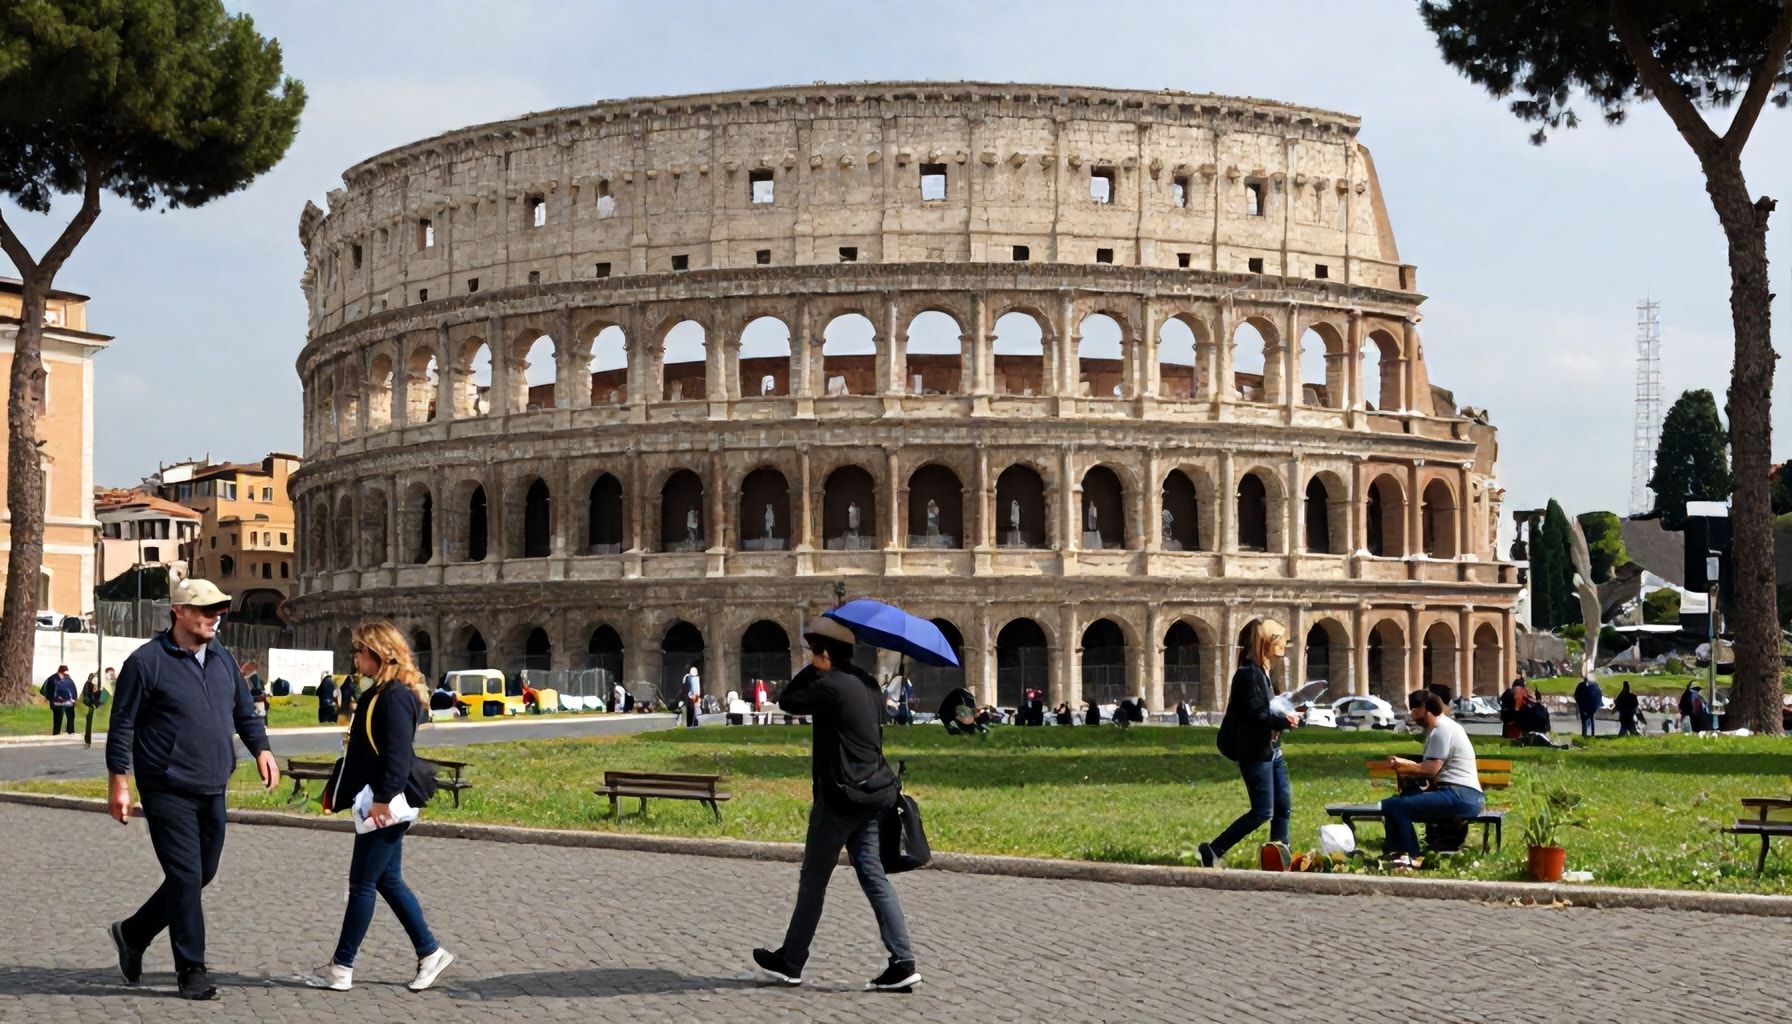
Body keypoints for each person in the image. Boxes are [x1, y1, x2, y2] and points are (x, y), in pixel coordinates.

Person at [105, 578, 280, 1001]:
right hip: (166, 784)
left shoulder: (221, 657)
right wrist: (119, 781)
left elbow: (244, 709)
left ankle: (133, 932)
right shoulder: (146, 662)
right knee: (185, 876)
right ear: (179, 612)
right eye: (205, 611)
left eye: (219, 611)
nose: (215, 618)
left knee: (203, 873)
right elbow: (122, 723)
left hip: (212, 783)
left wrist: (262, 749)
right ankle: (192, 969)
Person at [752, 615, 918, 992]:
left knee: (813, 880)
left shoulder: (830, 686)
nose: (811, 658)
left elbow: (788, 700)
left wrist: (814, 670)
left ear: (826, 653)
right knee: (874, 878)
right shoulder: (867, 683)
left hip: (839, 798)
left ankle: (791, 960)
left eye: (814, 652)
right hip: (874, 792)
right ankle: (903, 960)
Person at [304, 621, 455, 993]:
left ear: (378, 653)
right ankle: (430, 952)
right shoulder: (380, 693)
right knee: (387, 879)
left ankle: (342, 965)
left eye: (359, 651)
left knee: (362, 884)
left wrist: (383, 801)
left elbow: (398, 756)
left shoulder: (394, 696)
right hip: (377, 798)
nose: (354, 658)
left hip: (386, 802)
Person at [1200, 619, 1300, 871]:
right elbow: (1256, 714)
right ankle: (1213, 849)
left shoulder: (1263, 672)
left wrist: (1290, 711)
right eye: (1279, 640)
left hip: (1272, 750)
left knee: (1283, 806)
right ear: (1266, 642)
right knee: (1262, 811)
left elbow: (1268, 709)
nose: (1283, 645)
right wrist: (1284, 720)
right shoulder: (1247, 674)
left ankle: (1278, 859)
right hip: (1255, 752)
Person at [1378, 690, 1484, 868]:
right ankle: (1394, 852)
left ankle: (1408, 855)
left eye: (1415, 710)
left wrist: (1404, 765)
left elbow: (1431, 770)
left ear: (1428, 709)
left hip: (1461, 795)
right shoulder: (1443, 728)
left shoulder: (1441, 730)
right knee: (1397, 801)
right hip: (1461, 794)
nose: (1413, 714)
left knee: (1393, 806)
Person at [41, 665, 77, 735]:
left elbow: (73, 688)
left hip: (68, 702)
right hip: (57, 702)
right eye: (64, 672)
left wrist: (74, 698)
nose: (66, 673)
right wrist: (51, 699)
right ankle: (56, 731)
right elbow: (49, 690)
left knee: (70, 716)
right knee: (58, 717)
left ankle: (70, 730)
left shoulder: (68, 678)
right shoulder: (52, 678)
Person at [684, 662, 702, 728]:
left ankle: (695, 721)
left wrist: (697, 696)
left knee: (696, 708)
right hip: (691, 696)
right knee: (692, 709)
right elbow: (687, 688)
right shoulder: (688, 678)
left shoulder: (695, 678)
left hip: (695, 696)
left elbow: (697, 688)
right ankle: (692, 722)